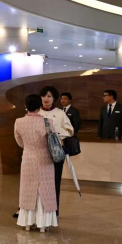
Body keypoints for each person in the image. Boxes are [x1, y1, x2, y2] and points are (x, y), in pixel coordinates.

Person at [15, 94, 58, 232]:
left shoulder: (19, 122)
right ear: (40, 106)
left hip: (28, 158)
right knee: (45, 189)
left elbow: (19, 142)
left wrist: (29, 147)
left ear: (25, 106)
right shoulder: (48, 122)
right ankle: (43, 224)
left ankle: (28, 222)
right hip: (45, 158)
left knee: (28, 188)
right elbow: (53, 142)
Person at [39, 86, 73, 216]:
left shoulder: (60, 113)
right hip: (40, 151)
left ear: (54, 98)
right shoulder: (36, 112)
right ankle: (39, 210)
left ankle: (54, 210)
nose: (46, 99)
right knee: (40, 182)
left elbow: (70, 131)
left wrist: (54, 130)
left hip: (56, 152)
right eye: (44, 96)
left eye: (49, 96)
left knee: (55, 181)